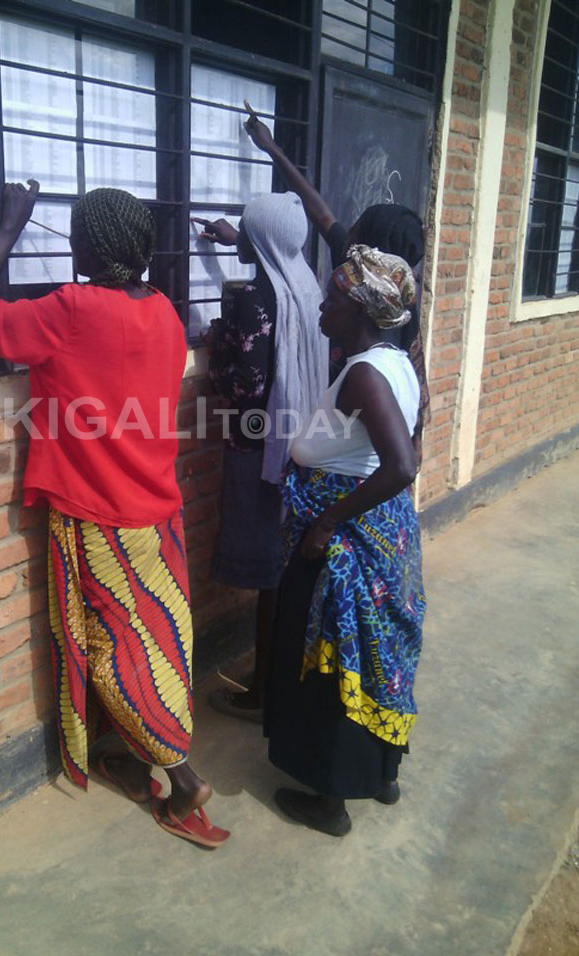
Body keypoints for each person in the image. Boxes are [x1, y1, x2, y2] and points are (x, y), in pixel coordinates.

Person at [0, 180, 229, 849]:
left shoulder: (71, 310)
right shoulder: (163, 312)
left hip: (98, 519)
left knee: (111, 656)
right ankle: (126, 758)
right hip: (157, 513)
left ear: (92, 249)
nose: (69, 246)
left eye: (76, 237)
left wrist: (10, 226)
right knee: (157, 641)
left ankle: (183, 780)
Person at [264, 244, 426, 837]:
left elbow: (401, 464)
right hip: (379, 528)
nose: (321, 308)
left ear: (358, 309)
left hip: (346, 541)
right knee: (378, 652)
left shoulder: (365, 373)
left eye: (331, 300)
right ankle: (381, 774)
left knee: (332, 658)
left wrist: (328, 522)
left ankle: (329, 801)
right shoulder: (393, 359)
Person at [201, 101, 430, 461]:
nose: (347, 234)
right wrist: (249, 237)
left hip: (344, 446)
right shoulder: (360, 274)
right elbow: (319, 212)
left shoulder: (384, 344)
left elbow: (402, 452)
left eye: (357, 232)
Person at [196, 192, 328, 721]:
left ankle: (262, 691)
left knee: (269, 570)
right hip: (300, 438)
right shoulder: (306, 283)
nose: (240, 238)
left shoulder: (254, 297)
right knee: (286, 560)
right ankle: (280, 676)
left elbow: (246, 384)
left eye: (247, 231)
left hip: (258, 444)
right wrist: (242, 240)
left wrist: (216, 349)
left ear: (263, 240)